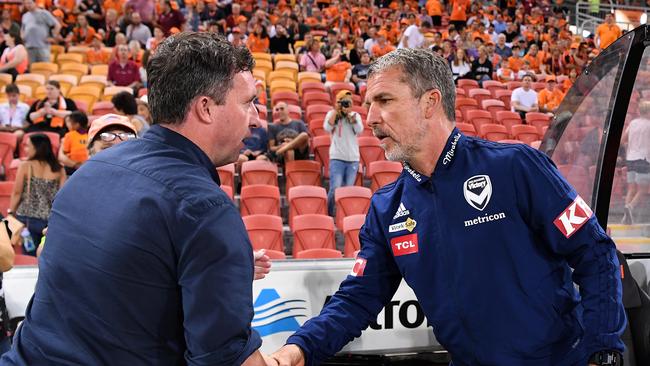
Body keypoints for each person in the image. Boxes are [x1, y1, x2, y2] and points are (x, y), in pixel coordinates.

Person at [271, 48, 626, 366]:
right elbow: (358, 298)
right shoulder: (386, 208)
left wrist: (601, 350)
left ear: (430, 102)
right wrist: (299, 349)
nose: (372, 118)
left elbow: (594, 252)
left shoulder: (515, 167)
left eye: (384, 100)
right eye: (368, 106)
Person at [1, 32, 274, 365]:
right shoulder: (203, 210)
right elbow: (226, 359)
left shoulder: (89, 171)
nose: (258, 118)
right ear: (205, 108)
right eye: (248, 102)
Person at [7, 133, 66, 256]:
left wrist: (11, 212)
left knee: (29, 255)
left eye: (28, 146)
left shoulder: (25, 165)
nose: (25, 149)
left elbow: (17, 192)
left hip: (27, 220)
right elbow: (62, 197)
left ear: (37, 147)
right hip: (49, 221)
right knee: (46, 255)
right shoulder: (59, 168)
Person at [323, 91, 363, 216]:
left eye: (348, 102)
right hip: (337, 157)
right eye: (343, 101)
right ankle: (329, 214)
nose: (346, 104)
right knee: (335, 188)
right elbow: (327, 128)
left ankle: (343, 217)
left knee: (347, 190)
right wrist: (336, 111)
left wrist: (351, 117)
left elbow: (359, 130)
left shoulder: (354, 115)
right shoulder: (332, 114)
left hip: (353, 158)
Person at [621, 101, 650, 225]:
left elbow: (623, 140)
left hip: (630, 159)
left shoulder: (632, 123)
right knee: (643, 189)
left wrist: (631, 147)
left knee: (631, 188)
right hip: (643, 159)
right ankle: (631, 207)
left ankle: (625, 218)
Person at [20, 0, 61, 64]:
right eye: (26, 3)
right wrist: (22, 36)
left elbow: (57, 25)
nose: (28, 5)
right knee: (32, 69)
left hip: (42, 47)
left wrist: (53, 37)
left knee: (44, 68)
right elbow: (22, 29)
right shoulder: (25, 16)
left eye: (30, 3)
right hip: (29, 47)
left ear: (35, 3)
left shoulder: (44, 13)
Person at [58, 111, 89, 175]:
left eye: (69, 122)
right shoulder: (90, 135)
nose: (67, 124)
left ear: (76, 124)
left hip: (72, 168)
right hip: (88, 166)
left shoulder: (69, 135)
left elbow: (65, 151)